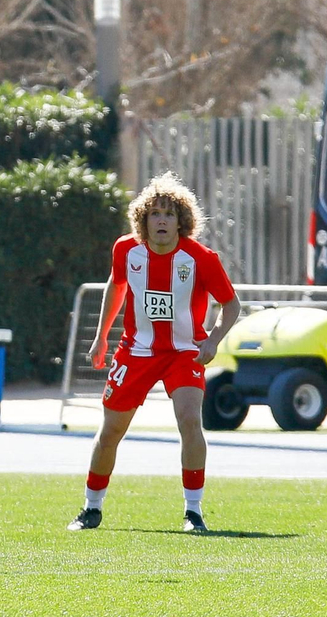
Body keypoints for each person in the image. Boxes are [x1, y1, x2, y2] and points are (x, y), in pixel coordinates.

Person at [71, 173, 241, 534]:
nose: (161, 221)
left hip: (184, 352)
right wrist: (102, 336)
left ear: (182, 221)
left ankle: (193, 512)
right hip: (136, 351)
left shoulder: (201, 258)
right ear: (143, 220)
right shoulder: (125, 250)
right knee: (111, 430)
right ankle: (91, 507)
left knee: (189, 420)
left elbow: (231, 304)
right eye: (154, 214)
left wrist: (212, 339)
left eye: (169, 214)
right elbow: (116, 286)